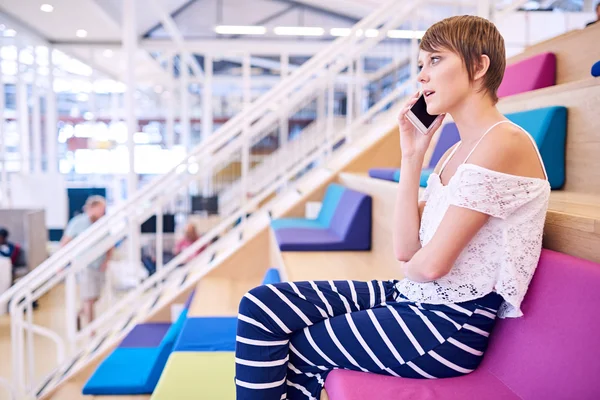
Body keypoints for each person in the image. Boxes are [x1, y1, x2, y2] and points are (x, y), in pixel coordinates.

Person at [233, 15, 550, 400]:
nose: (422, 76)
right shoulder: (454, 152)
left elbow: (430, 266)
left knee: (305, 345)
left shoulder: (504, 143)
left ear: (479, 66)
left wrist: (414, 266)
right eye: (421, 65)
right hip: (416, 297)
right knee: (261, 305)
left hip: (450, 325)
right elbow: (406, 251)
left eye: (435, 60)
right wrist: (412, 155)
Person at [61, 195, 112, 328]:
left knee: (95, 297)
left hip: (99, 264)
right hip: (85, 265)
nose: (103, 212)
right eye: (101, 209)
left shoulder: (103, 223)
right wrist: (62, 264)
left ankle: (78, 314)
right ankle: (91, 331)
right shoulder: (78, 222)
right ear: (92, 208)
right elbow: (65, 243)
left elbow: (110, 244)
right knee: (89, 298)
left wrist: (107, 260)